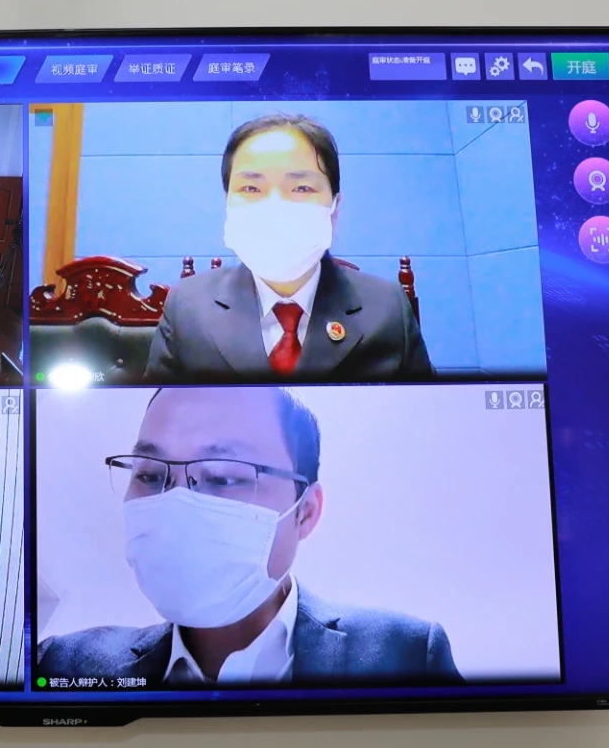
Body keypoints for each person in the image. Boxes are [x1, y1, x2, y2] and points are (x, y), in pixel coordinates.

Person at [36, 386, 462, 687]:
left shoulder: (406, 654)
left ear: (306, 512)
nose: (176, 504)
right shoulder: (62, 663)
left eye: (222, 477)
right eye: (149, 474)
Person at [145, 114, 433, 382]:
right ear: (227, 203)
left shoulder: (387, 308)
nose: (275, 208)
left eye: (302, 188)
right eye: (251, 188)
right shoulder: (187, 306)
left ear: (334, 209)